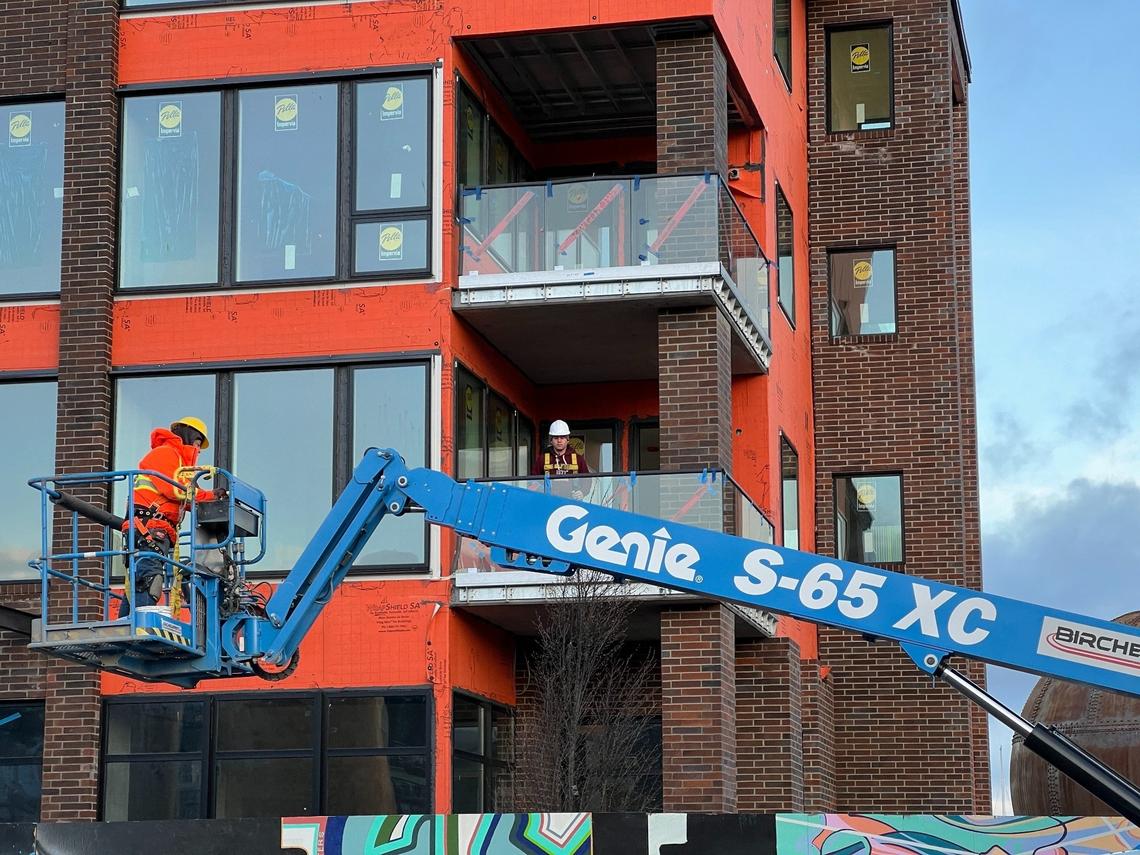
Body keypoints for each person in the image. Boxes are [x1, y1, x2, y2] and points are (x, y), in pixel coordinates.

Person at [119, 417, 218, 618]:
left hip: (155, 530)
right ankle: (141, 629)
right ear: (189, 434)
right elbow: (176, 489)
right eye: (198, 442)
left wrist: (212, 500)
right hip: (148, 528)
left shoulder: (178, 464)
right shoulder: (165, 453)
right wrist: (211, 495)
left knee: (141, 578)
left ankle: (124, 625)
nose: (198, 449)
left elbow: (185, 498)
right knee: (149, 579)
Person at [533, 419, 589, 499]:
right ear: (551, 440)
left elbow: (587, 480)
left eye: (562, 437)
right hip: (549, 501)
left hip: (572, 503)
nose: (559, 441)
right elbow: (533, 481)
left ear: (567, 439)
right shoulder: (542, 458)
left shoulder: (578, 459)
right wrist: (541, 491)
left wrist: (583, 492)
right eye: (556, 438)